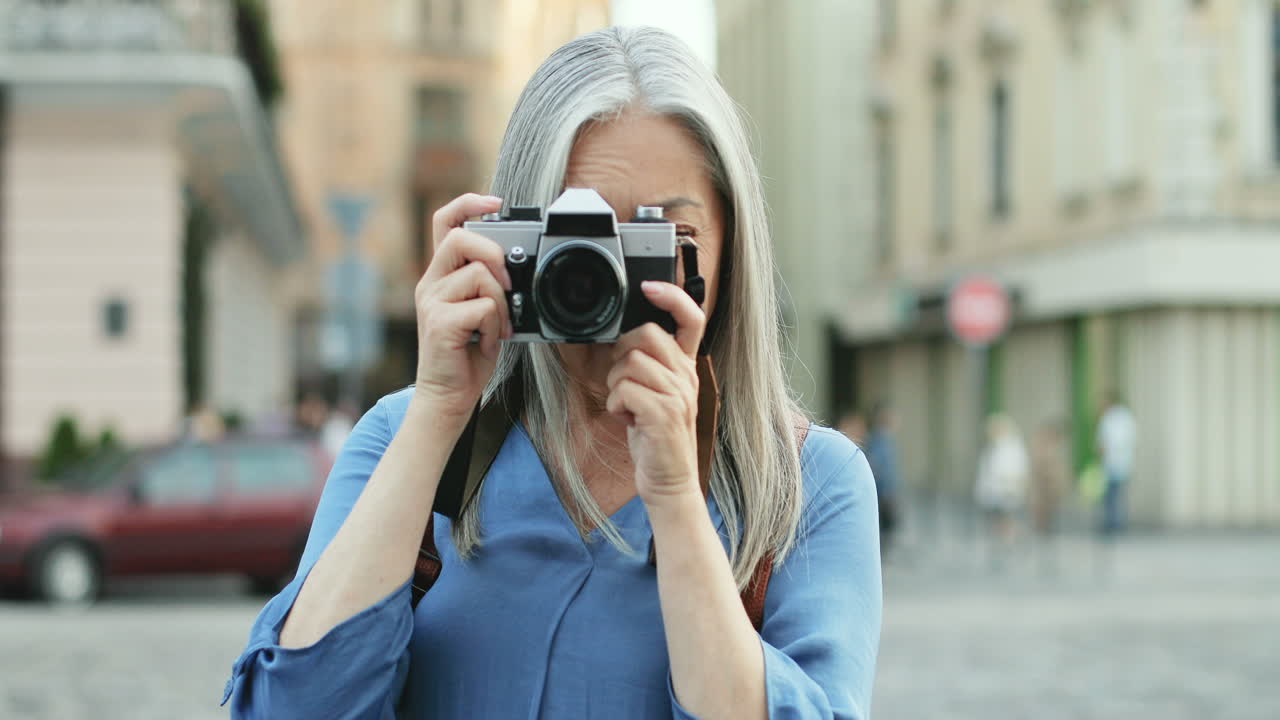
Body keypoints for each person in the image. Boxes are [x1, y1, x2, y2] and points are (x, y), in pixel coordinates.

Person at [224, 27, 881, 720]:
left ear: (732, 251)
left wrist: (678, 499)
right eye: (586, 241)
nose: (614, 276)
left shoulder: (810, 486)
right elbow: (290, 710)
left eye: (666, 241)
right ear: (514, 239)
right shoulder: (401, 439)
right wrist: (440, 411)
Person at [974, 413, 1029, 564]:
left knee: (1006, 519)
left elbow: (1017, 470)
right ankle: (1005, 542)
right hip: (994, 492)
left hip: (1007, 491)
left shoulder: (1012, 447)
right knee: (998, 520)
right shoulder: (993, 448)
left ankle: (1011, 541)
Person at [861, 403, 901, 556]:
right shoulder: (879, 440)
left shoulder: (886, 439)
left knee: (887, 526)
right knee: (883, 526)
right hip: (883, 492)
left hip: (886, 490)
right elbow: (878, 467)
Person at [1096, 390, 1137, 536]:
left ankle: (1111, 524)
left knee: (1110, 496)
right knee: (1119, 495)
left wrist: (1100, 456)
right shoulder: (1127, 417)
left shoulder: (1108, 419)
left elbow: (1103, 444)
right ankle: (1119, 523)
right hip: (1125, 462)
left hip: (1111, 463)